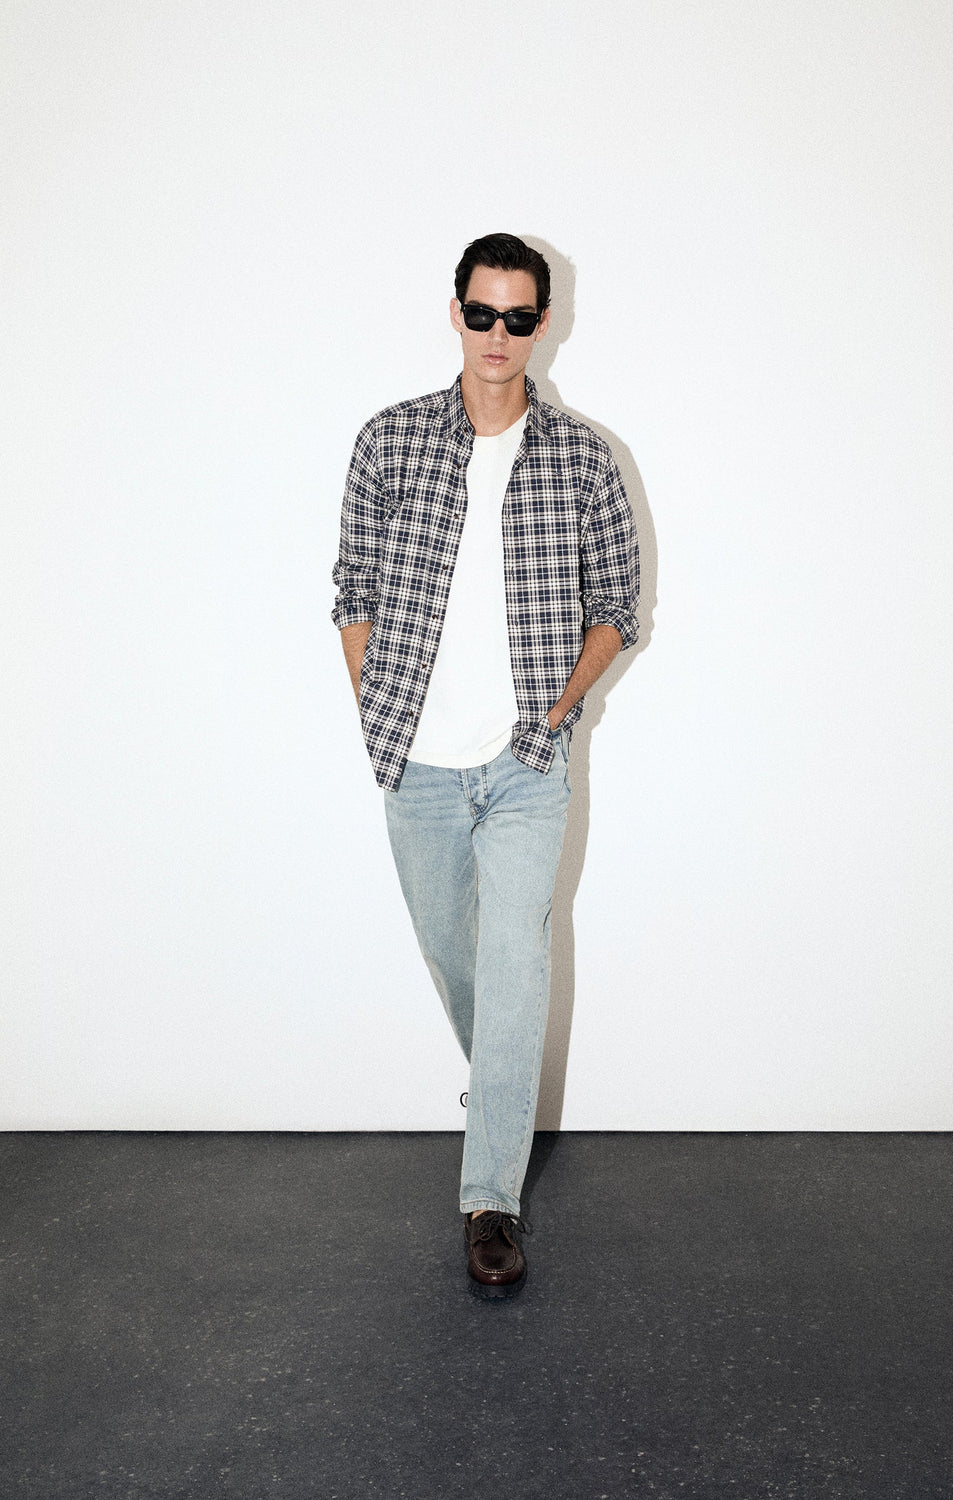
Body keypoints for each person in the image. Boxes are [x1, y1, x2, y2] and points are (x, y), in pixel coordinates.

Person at [332, 233, 639, 1296]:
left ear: (542, 324)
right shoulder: (390, 440)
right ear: (455, 312)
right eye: (481, 313)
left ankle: (488, 1201)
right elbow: (353, 588)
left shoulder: (583, 458)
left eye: (517, 318)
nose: (497, 336)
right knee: (455, 959)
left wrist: (556, 709)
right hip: (415, 760)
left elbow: (617, 607)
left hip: (525, 761)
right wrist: (378, 701)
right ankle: (501, 1095)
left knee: (515, 963)